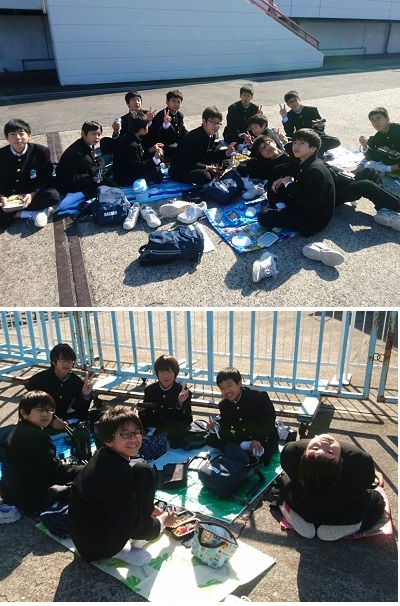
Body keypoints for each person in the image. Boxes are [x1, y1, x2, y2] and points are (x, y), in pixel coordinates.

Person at [68, 405, 178, 564]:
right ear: (109, 440)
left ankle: (142, 528)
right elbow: (129, 522)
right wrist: (162, 522)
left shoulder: (105, 455)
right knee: (144, 557)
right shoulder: (114, 472)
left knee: (142, 470)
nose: (134, 439)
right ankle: (119, 550)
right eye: (125, 434)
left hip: (93, 527)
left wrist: (150, 509)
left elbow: (120, 501)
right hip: (96, 544)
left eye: (137, 432)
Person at [278, 434, 386, 541]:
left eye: (329, 451)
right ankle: (350, 526)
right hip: (343, 511)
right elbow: (367, 484)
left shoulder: (290, 451)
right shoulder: (360, 461)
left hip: (303, 503)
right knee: (377, 499)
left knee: (284, 481)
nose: (324, 443)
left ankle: (296, 515)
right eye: (315, 448)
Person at [0, 391, 83, 511]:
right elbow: (55, 470)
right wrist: (83, 469)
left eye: (50, 410)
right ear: (24, 413)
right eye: (40, 410)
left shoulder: (13, 430)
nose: (45, 414)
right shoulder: (38, 437)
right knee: (79, 484)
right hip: (32, 499)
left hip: (9, 494)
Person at [258, 128, 335, 236]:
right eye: (294, 142)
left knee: (263, 216)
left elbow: (311, 203)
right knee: (273, 187)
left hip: (311, 220)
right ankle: (283, 211)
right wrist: (283, 181)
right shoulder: (306, 161)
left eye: (302, 143)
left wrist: (289, 184)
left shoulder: (315, 170)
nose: (296, 146)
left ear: (313, 148)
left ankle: (284, 214)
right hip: (302, 204)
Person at [205, 367, 278, 465]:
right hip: (242, 439)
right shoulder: (224, 405)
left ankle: (243, 450)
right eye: (222, 388)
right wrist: (215, 428)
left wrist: (258, 439)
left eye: (229, 385)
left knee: (263, 457)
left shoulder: (258, 397)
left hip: (263, 437)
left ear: (239, 383)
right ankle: (243, 447)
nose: (226, 391)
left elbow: (269, 421)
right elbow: (226, 427)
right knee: (210, 439)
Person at [0, 118, 59, 230]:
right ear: (6, 138)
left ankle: (17, 213)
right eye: (13, 134)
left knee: (53, 196)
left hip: (32, 191)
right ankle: (33, 213)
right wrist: (2, 197)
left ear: (29, 135)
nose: (17, 138)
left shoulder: (41, 151)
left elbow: (46, 175)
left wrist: (33, 193)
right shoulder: (1, 155)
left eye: (21, 133)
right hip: (9, 194)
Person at [26, 343, 95, 432]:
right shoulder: (38, 380)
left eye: (70, 360)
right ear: (53, 361)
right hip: (41, 424)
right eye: (62, 360)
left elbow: (80, 409)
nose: (66, 363)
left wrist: (85, 395)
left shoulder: (75, 381)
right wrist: (51, 421)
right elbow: (31, 408)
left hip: (65, 422)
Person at [169, 106, 237, 185]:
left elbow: (210, 154)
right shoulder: (193, 137)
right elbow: (184, 162)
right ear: (204, 121)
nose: (216, 126)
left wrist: (227, 152)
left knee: (227, 162)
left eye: (218, 123)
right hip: (180, 169)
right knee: (204, 176)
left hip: (199, 163)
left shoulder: (212, 135)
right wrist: (206, 167)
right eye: (213, 122)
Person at [137, 355, 193, 447]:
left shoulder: (183, 391)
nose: (165, 376)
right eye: (161, 371)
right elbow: (146, 418)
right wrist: (142, 411)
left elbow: (187, 419)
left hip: (173, 431)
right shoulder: (150, 390)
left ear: (175, 373)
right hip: (155, 427)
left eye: (169, 371)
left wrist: (180, 403)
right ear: (157, 373)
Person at [56, 120, 108, 200]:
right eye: (94, 134)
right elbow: (68, 176)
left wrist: (99, 166)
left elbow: (93, 162)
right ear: (83, 134)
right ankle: (78, 195)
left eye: (99, 134)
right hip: (68, 184)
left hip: (81, 178)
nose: (97, 137)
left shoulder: (87, 145)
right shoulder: (77, 151)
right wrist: (91, 179)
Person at [112, 111, 164, 186]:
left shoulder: (131, 136)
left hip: (130, 168)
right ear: (141, 130)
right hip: (125, 177)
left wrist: (151, 150)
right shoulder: (131, 144)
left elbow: (138, 156)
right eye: (147, 125)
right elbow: (138, 168)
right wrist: (155, 159)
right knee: (156, 174)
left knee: (155, 167)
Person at [100, 90, 157, 156]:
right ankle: (112, 157)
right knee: (104, 141)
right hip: (128, 143)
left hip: (143, 142)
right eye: (133, 100)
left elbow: (155, 132)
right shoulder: (123, 119)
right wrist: (116, 132)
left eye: (138, 100)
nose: (137, 102)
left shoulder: (148, 114)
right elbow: (121, 138)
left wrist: (147, 121)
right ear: (128, 104)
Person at [147, 90, 188, 161]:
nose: (176, 104)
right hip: (165, 145)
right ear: (167, 102)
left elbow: (182, 130)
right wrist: (165, 125)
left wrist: (190, 136)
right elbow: (157, 135)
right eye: (173, 101)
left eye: (178, 102)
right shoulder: (161, 115)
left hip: (176, 142)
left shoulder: (179, 115)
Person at [359, 107, 400, 173]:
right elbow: (372, 156)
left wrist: (388, 168)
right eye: (373, 120)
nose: (376, 122)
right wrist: (364, 146)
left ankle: (388, 168)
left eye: (378, 119)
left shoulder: (398, 129)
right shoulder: (378, 137)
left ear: (387, 119)